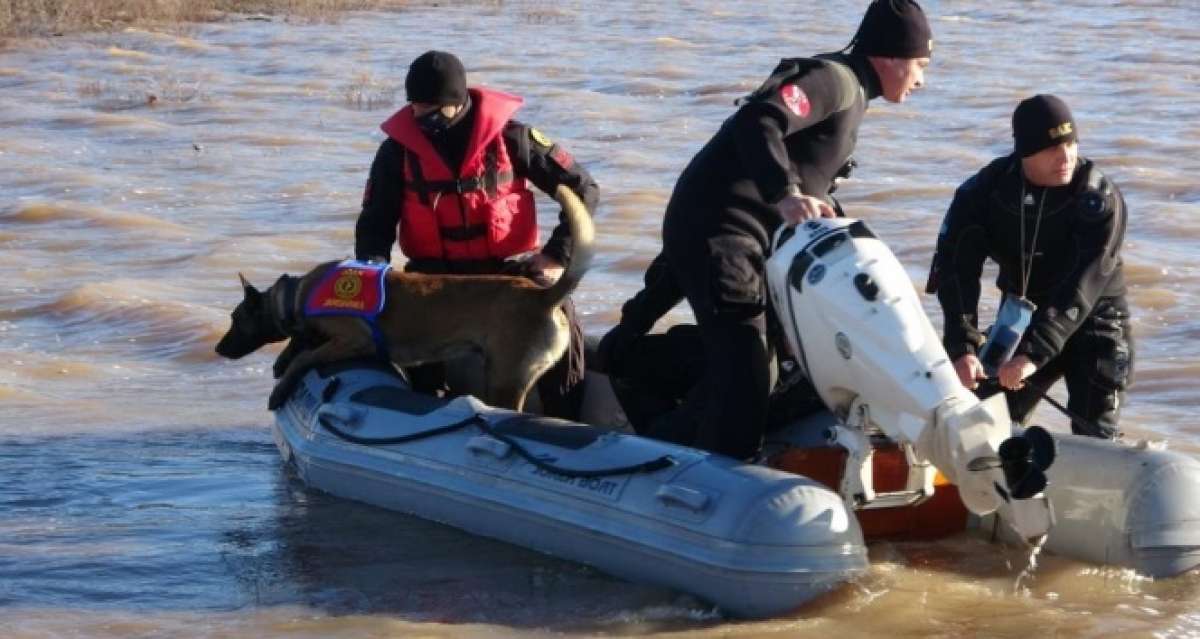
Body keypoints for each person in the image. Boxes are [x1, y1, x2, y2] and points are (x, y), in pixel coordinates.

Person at [595, 0, 934, 459]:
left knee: (769, 366)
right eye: (920, 65)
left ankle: (646, 388)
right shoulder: (834, 80)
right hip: (722, 232)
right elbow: (760, 118)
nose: (922, 79)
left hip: (741, 235)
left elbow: (805, 177)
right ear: (891, 56)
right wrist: (786, 192)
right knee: (747, 379)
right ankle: (672, 468)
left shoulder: (853, 97)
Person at [354, 50, 599, 420]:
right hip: (433, 278)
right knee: (405, 337)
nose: (421, 118)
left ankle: (566, 424)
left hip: (506, 273)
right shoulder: (396, 151)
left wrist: (554, 256)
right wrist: (372, 272)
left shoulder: (514, 139)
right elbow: (375, 222)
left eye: (432, 110)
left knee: (560, 320)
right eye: (415, 108)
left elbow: (583, 190)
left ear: (458, 103)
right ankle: (426, 422)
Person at [927, 94, 1132, 439]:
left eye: (1071, 144)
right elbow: (955, 271)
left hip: (1095, 322)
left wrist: (1032, 355)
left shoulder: (1098, 199)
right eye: (1052, 148)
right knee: (976, 421)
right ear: (1025, 153)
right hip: (1024, 320)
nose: (1065, 156)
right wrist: (961, 347)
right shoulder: (985, 193)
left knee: (1096, 435)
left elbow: (1080, 288)